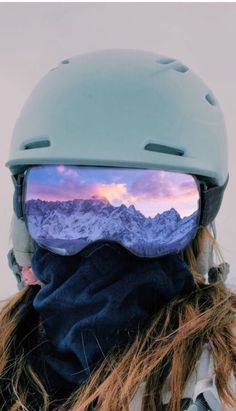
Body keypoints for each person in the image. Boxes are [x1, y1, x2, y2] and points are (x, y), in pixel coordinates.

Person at [1, 49, 235, 411]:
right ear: (26, 235)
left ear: (199, 231)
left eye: (147, 224)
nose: (103, 250)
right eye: (53, 211)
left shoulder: (223, 386)